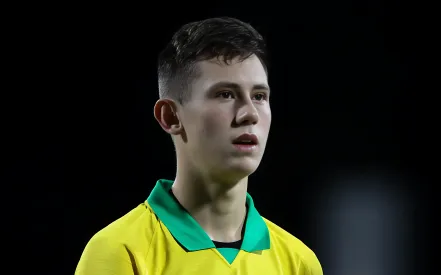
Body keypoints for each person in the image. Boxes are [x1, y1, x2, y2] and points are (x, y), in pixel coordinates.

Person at [75, 17, 323, 274]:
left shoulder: (299, 262)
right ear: (171, 117)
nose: (249, 113)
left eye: (259, 96)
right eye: (225, 94)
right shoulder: (120, 251)